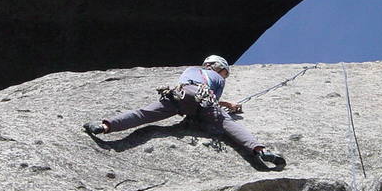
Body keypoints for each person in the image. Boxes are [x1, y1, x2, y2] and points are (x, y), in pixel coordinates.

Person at [83, 55, 286, 167]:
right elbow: (209, 97)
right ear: (213, 66)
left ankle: (104, 125)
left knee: (144, 114)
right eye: (223, 71)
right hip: (204, 103)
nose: (224, 75)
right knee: (228, 124)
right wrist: (228, 107)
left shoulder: (191, 70)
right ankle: (260, 151)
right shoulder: (216, 79)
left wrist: (226, 104)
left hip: (180, 97)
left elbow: (193, 90)